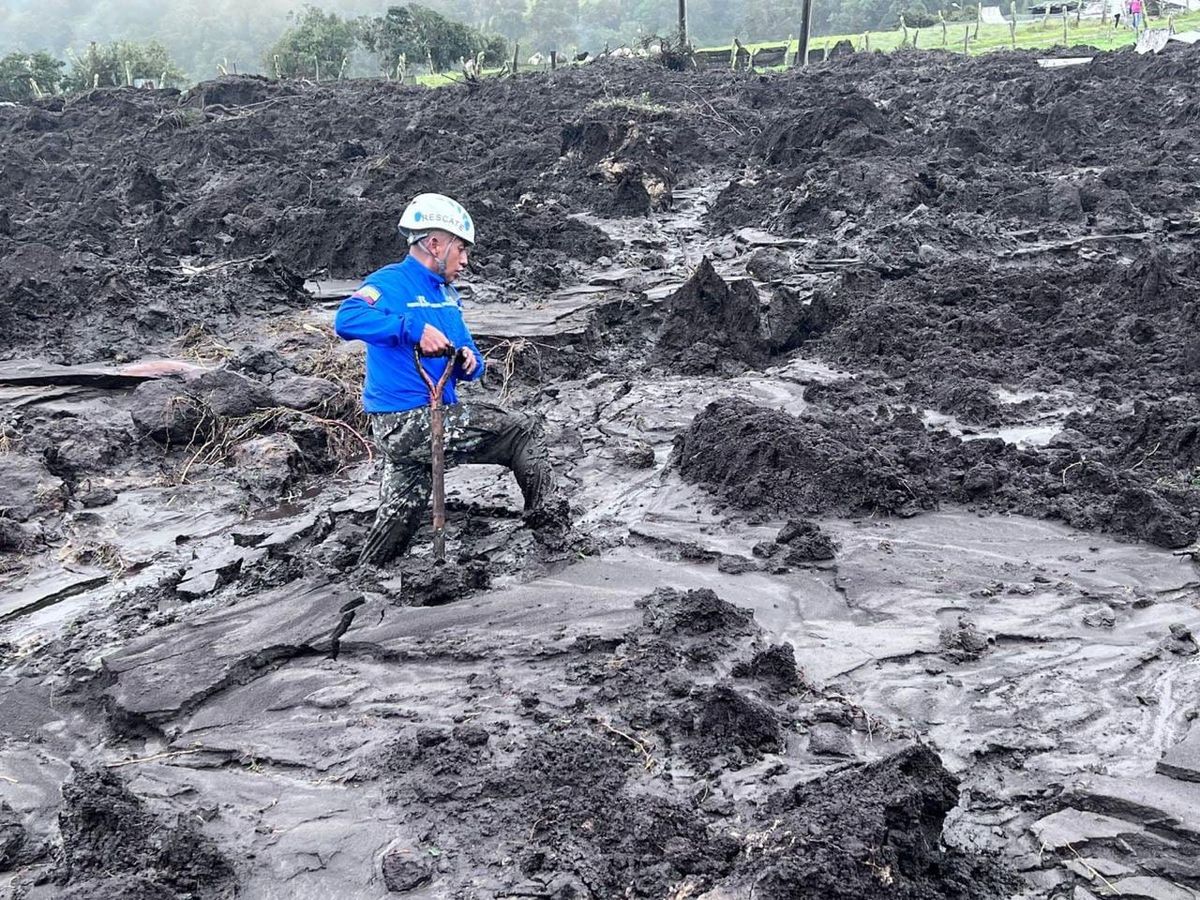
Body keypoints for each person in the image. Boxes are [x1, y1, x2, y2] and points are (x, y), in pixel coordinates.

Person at [335, 193, 569, 566]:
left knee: (398, 520)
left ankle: (362, 577)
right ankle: (555, 534)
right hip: (405, 421)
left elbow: (470, 355)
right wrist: (411, 329)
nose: (465, 261)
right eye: (461, 249)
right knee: (522, 431)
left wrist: (468, 362)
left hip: (433, 414)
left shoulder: (447, 296)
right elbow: (346, 320)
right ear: (434, 243)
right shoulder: (391, 283)